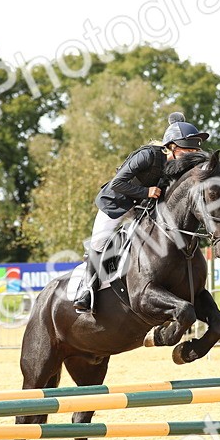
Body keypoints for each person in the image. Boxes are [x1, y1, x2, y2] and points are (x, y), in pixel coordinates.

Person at [74, 112, 209, 311]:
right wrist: (146, 191)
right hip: (116, 202)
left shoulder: (180, 167)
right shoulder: (147, 156)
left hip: (142, 206)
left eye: (193, 150)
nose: (190, 156)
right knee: (99, 242)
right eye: (185, 150)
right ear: (170, 147)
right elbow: (117, 183)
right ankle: (86, 290)